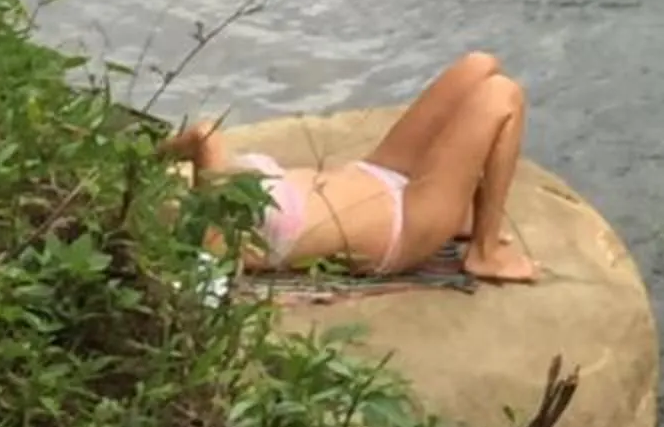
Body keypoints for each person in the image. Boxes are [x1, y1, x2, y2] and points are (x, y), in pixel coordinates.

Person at [166, 50, 541, 282]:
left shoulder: (207, 196)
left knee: (479, 65)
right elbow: (205, 135)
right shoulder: (213, 238)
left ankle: (461, 217)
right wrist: (155, 156)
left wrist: (148, 158)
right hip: (404, 224)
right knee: (501, 94)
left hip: (374, 173)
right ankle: (485, 253)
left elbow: (201, 141)